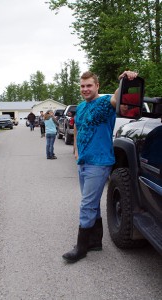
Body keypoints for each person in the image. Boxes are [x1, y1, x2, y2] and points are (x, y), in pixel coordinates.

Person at [62, 70, 138, 263]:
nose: (85, 89)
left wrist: (124, 80)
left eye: (89, 85)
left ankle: (81, 247)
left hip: (99, 162)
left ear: (97, 86)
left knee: (87, 204)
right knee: (91, 203)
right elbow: (78, 126)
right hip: (84, 162)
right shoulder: (80, 106)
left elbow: (116, 97)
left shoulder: (105, 103)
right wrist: (76, 149)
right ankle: (95, 242)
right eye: (82, 86)